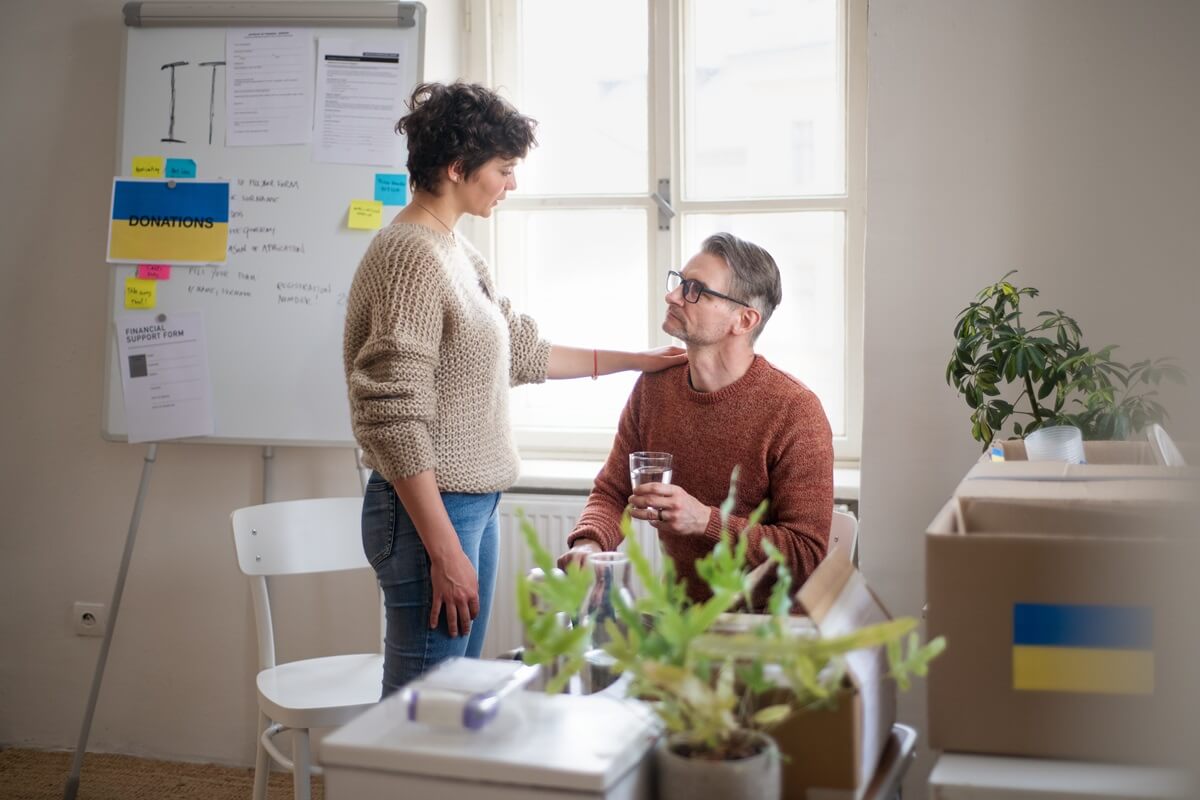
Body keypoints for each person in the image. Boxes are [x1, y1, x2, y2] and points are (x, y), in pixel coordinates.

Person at [343, 81, 686, 696]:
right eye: (503, 169)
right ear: (456, 169)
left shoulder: (454, 252)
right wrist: (445, 550)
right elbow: (391, 417)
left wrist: (637, 360)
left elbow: (521, 351)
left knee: (458, 697)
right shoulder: (409, 258)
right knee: (422, 713)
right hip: (430, 509)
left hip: (471, 503)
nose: (512, 183)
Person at [558, 233, 834, 610]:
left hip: (764, 630)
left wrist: (705, 520)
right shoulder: (655, 387)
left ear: (744, 319)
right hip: (679, 617)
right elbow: (612, 491)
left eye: (695, 290)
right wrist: (589, 543)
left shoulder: (795, 410)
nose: (673, 296)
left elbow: (805, 554)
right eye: (679, 282)